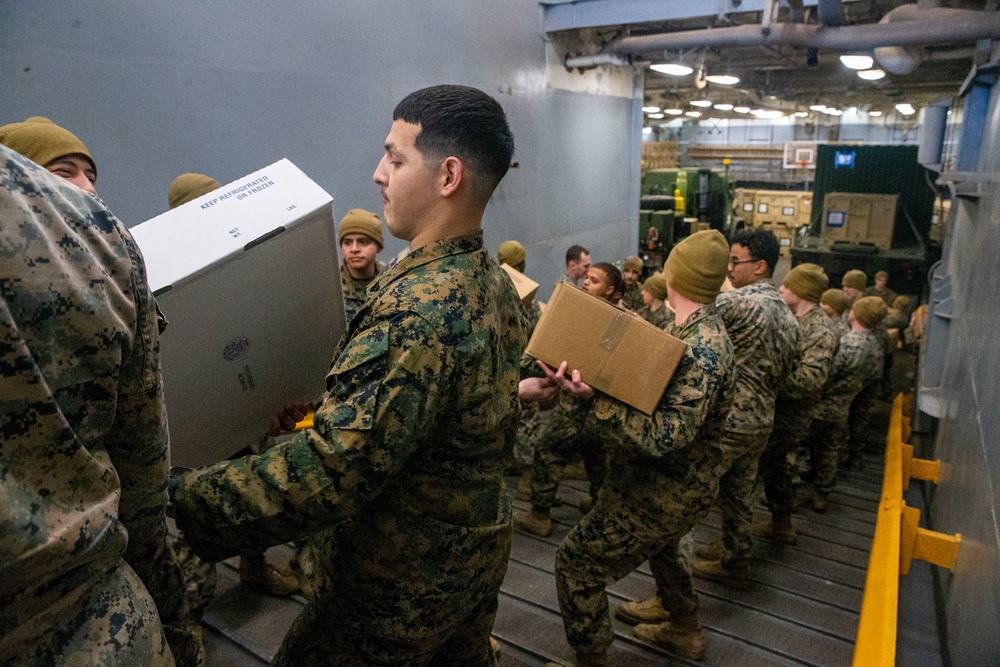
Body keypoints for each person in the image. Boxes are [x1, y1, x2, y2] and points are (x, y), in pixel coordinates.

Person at [171, 84, 524, 666]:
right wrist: (314, 423)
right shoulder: (490, 282)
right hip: (471, 559)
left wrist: (182, 496)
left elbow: (332, 472)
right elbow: (435, 431)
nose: (378, 173)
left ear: (449, 175)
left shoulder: (418, 309)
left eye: (395, 156)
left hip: (395, 584)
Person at [1, 117, 201, 666]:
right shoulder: (113, 250)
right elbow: (143, 481)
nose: (88, 192)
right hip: (104, 629)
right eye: (66, 173)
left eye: (92, 178)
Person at [547, 230, 735, 664]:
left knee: (576, 565)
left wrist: (595, 399)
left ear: (674, 278)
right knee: (665, 550)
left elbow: (664, 438)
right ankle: (684, 629)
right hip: (675, 487)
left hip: (662, 491)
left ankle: (591, 658)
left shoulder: (701, 349)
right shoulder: (691, 328)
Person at [690, 229, 798, 591]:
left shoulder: (735, 304)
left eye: (735, 261)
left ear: (760, 266)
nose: (729, 268)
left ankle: (672, 596)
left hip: (726, 423)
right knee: (739, 495)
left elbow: (689, 337)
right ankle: (736, 561)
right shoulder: (789, 316)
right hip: (761, 422)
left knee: (684, 496)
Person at [512, 261, 624, 537]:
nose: (586, 282)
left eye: (594, 280)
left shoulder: (599, 318)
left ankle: (539, 514)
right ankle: (601, 508)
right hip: (602, 409)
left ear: (610, 290)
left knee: (548, 450)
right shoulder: (618, 318)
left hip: (578, 405)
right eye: (586, 278)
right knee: (597, 455)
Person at [755, 264, 837, 544]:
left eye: (787, 286)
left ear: (802, 292)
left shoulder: (820, 330)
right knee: (774, 468)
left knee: (774, 467)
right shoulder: (793, 318)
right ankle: (781, 524)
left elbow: (812, 378)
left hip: (791, 415)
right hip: (777, 409)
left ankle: (774, 527)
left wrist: (768, 380)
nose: (781, 289)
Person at [806, 296, 887, 512]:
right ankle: (820, 494)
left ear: (856, 314)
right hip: (843, 408)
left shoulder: (849, 344)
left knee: (796, 447)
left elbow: (826, 375)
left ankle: (790, 494)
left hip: (821, 406)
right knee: (829, 450)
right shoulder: (875, 346)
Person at [339, 208, 387, 323]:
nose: (354, 249)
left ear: (378, 246)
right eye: (347, 242)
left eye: (363, 242)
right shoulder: (332, 288)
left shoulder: (392, 279)